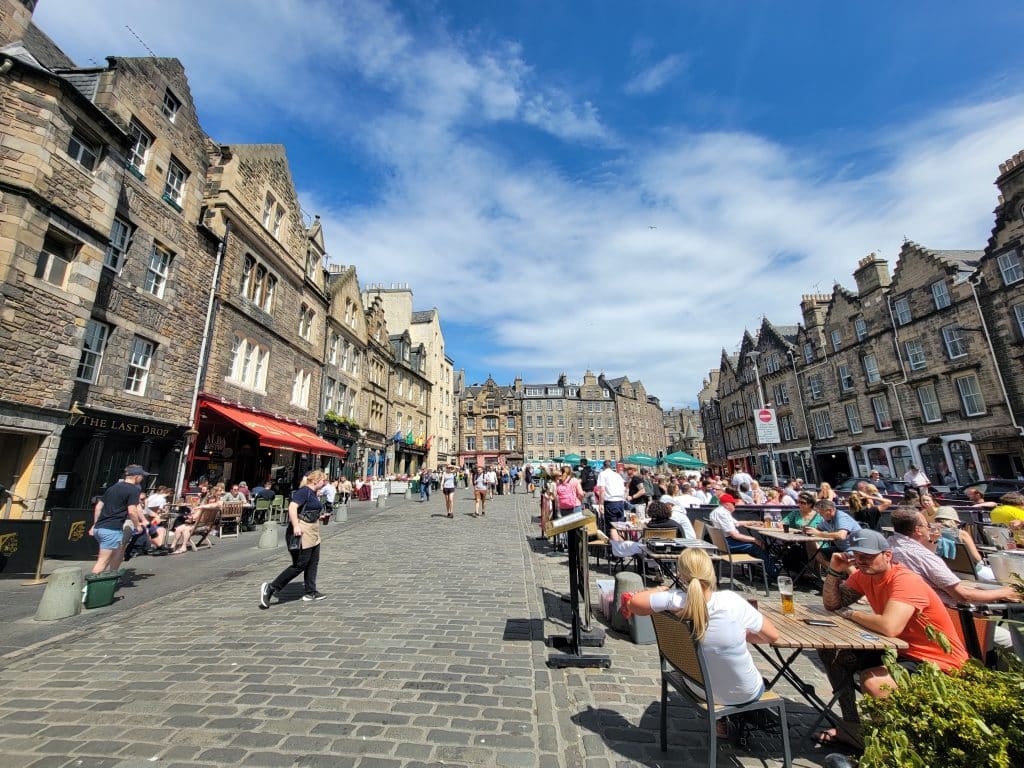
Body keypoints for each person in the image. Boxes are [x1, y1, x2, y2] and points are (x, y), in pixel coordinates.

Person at [817, 528, 968, 746]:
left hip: (935, 663)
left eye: (868, 556)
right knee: (833, 652)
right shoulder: (863, 575)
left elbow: (890, 626)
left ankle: (893, 744)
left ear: (887, 555)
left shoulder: (905, 580)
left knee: (875, 682)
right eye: (857, 556)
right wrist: (834, 571)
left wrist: (852, 614)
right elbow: (832, 604)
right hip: (898, 650)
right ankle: (851, 727)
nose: (861, 561)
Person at [626, 548, 779, 714]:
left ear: (681, 575)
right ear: (710, 571)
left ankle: (723, 722)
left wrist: (659, 590)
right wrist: (740, 635)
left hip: (699, 688)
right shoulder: (732, 601)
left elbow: (634, 603)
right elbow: (772, 636)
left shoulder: (676, 600)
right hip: (745, 692)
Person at [888, 506, 1020, 654]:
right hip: (948, 619)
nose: (930, 528)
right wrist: (1004, 592)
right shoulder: (922, 556)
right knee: (1013, 642)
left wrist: (932, 541)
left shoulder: (891, 546)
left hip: (912, 618)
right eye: (927, 525)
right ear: (918, 530)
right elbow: (963, 595)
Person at [260, 469, 329, 607]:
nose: (325, 483)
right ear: (315, 480)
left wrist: (320, 517)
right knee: (300, 564)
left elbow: (307, 511)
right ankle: (271, 588)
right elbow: (292, 508)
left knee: (313, 562)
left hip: (313, 531)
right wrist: (296, 526)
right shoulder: (303, 491)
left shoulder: (313, 493)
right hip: (302, 532)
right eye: (323, 480)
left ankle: (311, 591)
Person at [89, 465, 152, 574]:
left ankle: (112, 577)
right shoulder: (133, 489)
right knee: (103, 562)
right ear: (136, 476)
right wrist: (137, 525)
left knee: (116, 552)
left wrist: (95, 524)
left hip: (100, 528)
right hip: (112, 529)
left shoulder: (113, 487)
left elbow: (99, 506)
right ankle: (89, 589)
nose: (142, 478)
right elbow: (132, 510)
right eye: (141, 476)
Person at [709, 493, 774, 575]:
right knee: (758, 546)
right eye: (733, 504)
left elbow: (737, 523)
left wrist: (753, 522)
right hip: (729, 544)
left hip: (724, 542)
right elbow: (735, 535)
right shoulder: (723, 514)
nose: (735, 505)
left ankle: (757, 572)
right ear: (726, 505)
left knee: (757, 545)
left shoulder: (719, 511)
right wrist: (755, 540)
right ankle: (773, 574)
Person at [804, 498, 861, 569]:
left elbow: (841, 535)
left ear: (830, 510)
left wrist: (818, 533)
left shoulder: (841, 517)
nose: (820, 515)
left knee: (843, 560)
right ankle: (833, 573)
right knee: (817, 554)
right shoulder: (827, 519)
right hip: (840, 548)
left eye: (821, 512)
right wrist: (808, 530)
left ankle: (851, 578)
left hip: (856, 549)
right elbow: (817, 529)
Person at [596, 460, 627, 534]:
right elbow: (624, 489)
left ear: (603, 466)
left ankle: (614, 545)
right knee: (620, 526)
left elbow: (602, 490)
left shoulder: (602, 474)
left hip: (611, 502)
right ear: (611, 466)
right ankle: (621, 544)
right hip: (620, 502)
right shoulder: (617, 475)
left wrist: (601, 504)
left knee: (612, 527)